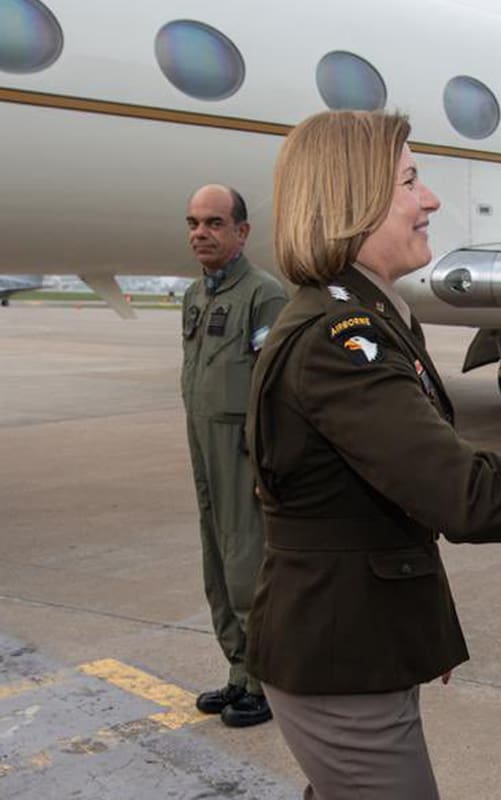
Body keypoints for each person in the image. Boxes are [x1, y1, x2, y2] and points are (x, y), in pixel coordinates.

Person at [245, 109, 501, 799]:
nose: (430, 200)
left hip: (359, 646)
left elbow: (389, 497)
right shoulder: (338, 341)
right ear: (354, 198)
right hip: (338, 664)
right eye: (409, 181)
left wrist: (414, 630)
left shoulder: (370, 318)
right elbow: (454, 488)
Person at [181, 184, 287, 728]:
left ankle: (265, 684)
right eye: (194, 223)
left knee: (249, 571)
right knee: (218, 568)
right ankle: (238, 674)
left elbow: (278, 391)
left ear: (242, 232)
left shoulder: (263, 296)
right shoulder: (196, 296)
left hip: (243, 457)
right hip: (205, 451)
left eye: (214, 223)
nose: (201, 233)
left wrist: (266, 466)